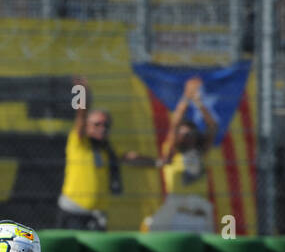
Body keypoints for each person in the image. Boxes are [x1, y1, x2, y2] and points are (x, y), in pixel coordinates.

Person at [58, 76, 152, 230]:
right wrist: (82, 92)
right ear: (87, 126)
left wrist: (158, 162)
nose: (102, 128)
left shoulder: (108, 149)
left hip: (97, 213)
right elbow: (81, 115)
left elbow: (131, 157)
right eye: (97, 124)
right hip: (73, 212)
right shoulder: (79, 142)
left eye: (106, 125)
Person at [144, 76, 217, 233]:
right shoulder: (172, 153)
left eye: (190, 134)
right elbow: (174, 125)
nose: (186, 137)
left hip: (199, 214)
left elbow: (212, 127)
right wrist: (186, 97)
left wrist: (198, 102)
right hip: (176, 213)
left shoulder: (201, 153)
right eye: (183, 134)